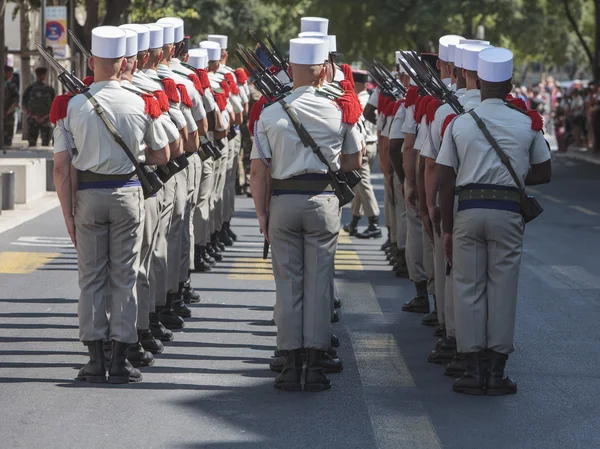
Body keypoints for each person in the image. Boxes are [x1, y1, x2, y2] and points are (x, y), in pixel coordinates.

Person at [52, 26, 170, 384]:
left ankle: (93, 359)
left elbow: (61, 167)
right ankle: (120, 359)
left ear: (92, 62)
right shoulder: (139, 101)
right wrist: (134, 154)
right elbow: (162, 152)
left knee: (91, 278)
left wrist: (68, 213)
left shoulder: (73, 105)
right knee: (125, 275)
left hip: (88, 196)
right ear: (123, 63)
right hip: (127, 193)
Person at [436, 47, 552, 395]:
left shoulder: (459, 124)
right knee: (502, 289)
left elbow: (445, 178)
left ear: (479, 82)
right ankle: (497, 372)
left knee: (468, 287)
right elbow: (545, 172)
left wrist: (445, 229)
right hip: (507, 213)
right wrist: (511, 175)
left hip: (468, 211)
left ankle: (471, 369)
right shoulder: (526, 122)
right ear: (511, 84)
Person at [250, 37, 362, 392]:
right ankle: (315, 364)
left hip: (282, 199)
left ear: (291, 71)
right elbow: (354, 161)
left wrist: (262, 214)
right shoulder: (338, 108)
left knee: (288, 284)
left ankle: (289, 362)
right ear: (324, 71)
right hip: (324, 200)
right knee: (318, 283)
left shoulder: (270, 112)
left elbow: (257, 171)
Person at [344, 69, 381, 238]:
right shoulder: (372, 98)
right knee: (360, 184)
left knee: (364, 184)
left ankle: (374, 221)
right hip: (374, 145)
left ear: (358, 84)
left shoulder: (358, 101)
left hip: (364, 147)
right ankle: (354, 221)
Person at [22, 67, 55, 146]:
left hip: (45, 120)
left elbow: (54, 105)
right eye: (40, 75)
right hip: (33, 119)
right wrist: (33, 116)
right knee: (32, 143)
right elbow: (24, 104)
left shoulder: (49, 89)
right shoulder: (30, 88)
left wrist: (45, 117)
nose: (42, 76)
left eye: (42, 74)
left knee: (45, 144)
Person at [4, 65, 19, 146]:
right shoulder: (11, 86)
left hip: (7, 116)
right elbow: (15, 102)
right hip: (8, 117)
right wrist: (6, 113)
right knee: (7, 143)